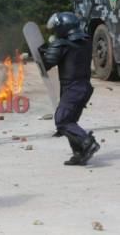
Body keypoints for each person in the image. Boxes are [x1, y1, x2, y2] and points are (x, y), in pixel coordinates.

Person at [41, 12, 100, 166]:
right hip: (84, 87)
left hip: (73, 88)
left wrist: (42, 52)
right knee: (70, 122)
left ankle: (88, 142)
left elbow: (46, 64)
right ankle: (80, 153)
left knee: (62, 120)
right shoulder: (85, 41)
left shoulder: (62, 44)